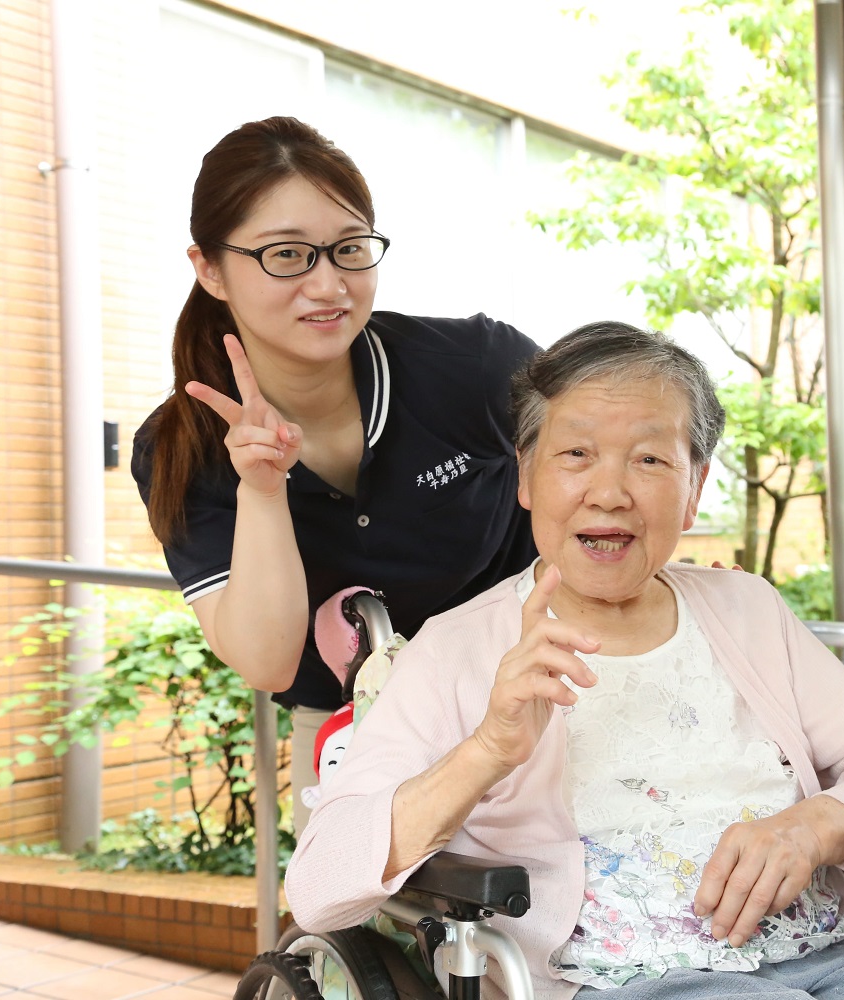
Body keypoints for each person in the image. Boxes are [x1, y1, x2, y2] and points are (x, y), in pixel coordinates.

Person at [286, 322, 844, 1000]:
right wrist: (487, 750)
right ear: (526, 476)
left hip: (836, 955)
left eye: (649, 459)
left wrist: (813, 826)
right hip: (629, 983)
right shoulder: (457, 647)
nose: (609, 492)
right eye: (576, 454)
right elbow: (319, 886)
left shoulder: (748, 610)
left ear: (695, 487)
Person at [131, 117, 540, 827]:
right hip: (349, 733)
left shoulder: (477, 367)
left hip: (529, 699)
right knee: (360, 921)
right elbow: (268, 662)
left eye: (350, 249)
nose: (328, 284)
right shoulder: (183, 445)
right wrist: (261, 491)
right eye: (287, 255)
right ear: (209, 268)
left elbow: (598, 460)